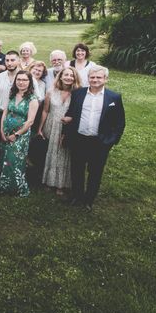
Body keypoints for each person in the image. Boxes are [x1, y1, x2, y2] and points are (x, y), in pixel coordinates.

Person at [62, 66, 125, 211]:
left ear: (105, 79)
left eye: (99, 77)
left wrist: (111, 141)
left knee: (95, 172)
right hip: (79, 138)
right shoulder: (78, 93)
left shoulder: (113, 97)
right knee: (76, 169)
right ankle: (77, 196)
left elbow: (119, 122)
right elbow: (71, 113)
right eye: (92, 77)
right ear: (88, 78)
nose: (95, 80)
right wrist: (66, 131)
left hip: (99, 141)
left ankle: (89, 200)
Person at [37, 66, 81, 196]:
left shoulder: (78, 93)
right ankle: (49, 181)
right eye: (66, 75)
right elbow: (45, 110)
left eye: (71, 75)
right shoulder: (51, 91)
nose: (68, 77)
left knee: (64, 154)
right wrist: (40, 127)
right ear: (60, 76)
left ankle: (61, 184)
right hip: (51, 124)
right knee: (50, 153)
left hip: (67, 127)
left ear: (75, 78)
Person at [0, 70, 39, 197]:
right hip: (6, 131)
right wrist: (2, 130)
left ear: (29, 82)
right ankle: (4, 186)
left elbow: (30, 121)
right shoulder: (12, 94)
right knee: (5, 159)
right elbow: (5, 112)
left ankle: (17, 188)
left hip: (21, 135)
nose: (21, 82)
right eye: (19, 79)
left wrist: (16, 135)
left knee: (15, 160)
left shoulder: (32, 99)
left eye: (24, 80)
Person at [0, 51, 20, 177]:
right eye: (7, 60)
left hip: (17, 115)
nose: (9, 63)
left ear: (18, 61)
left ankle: (13, 169)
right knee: (1, 142)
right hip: (0, 114)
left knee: (14, 143)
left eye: (13, 60)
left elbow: (36, 98)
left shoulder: (26, 77)